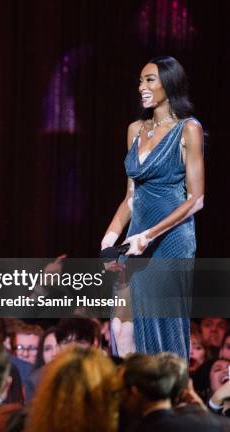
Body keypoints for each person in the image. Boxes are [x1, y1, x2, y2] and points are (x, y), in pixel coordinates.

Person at [101, 56, 204, 359]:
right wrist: (110, 235)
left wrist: (149, 235)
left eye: (150, 80)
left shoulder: (188, 129)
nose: (141, 87)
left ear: (168, 84)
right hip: (136, 237)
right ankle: (133, 393)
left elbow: (196, 199)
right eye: (140, 81)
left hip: (170, 239)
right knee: (120, 327)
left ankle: (164, 396)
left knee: (159, 327)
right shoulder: (135, 129)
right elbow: (131, 196)